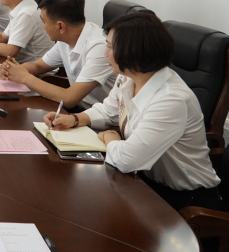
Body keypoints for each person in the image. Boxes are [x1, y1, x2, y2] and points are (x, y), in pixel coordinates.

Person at [44, 12, 222, 212]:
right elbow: (107, 111)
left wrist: (110, 138)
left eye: (110, 47)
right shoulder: (128, 77)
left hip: (186, 200)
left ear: (134, 52)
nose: (105, 53)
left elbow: (127, 160)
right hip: (144, 180)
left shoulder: (171, 99)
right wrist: (75, 119)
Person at [0, 0, 116, 109]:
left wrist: (25, 77)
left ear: (60, 26)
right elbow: (38, 66)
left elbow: (69, 99)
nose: (43, 26)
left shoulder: (100, 48)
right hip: (81, 109)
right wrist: (13, 70)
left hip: (99, 116)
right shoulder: (65, 39)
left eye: (44, 22)